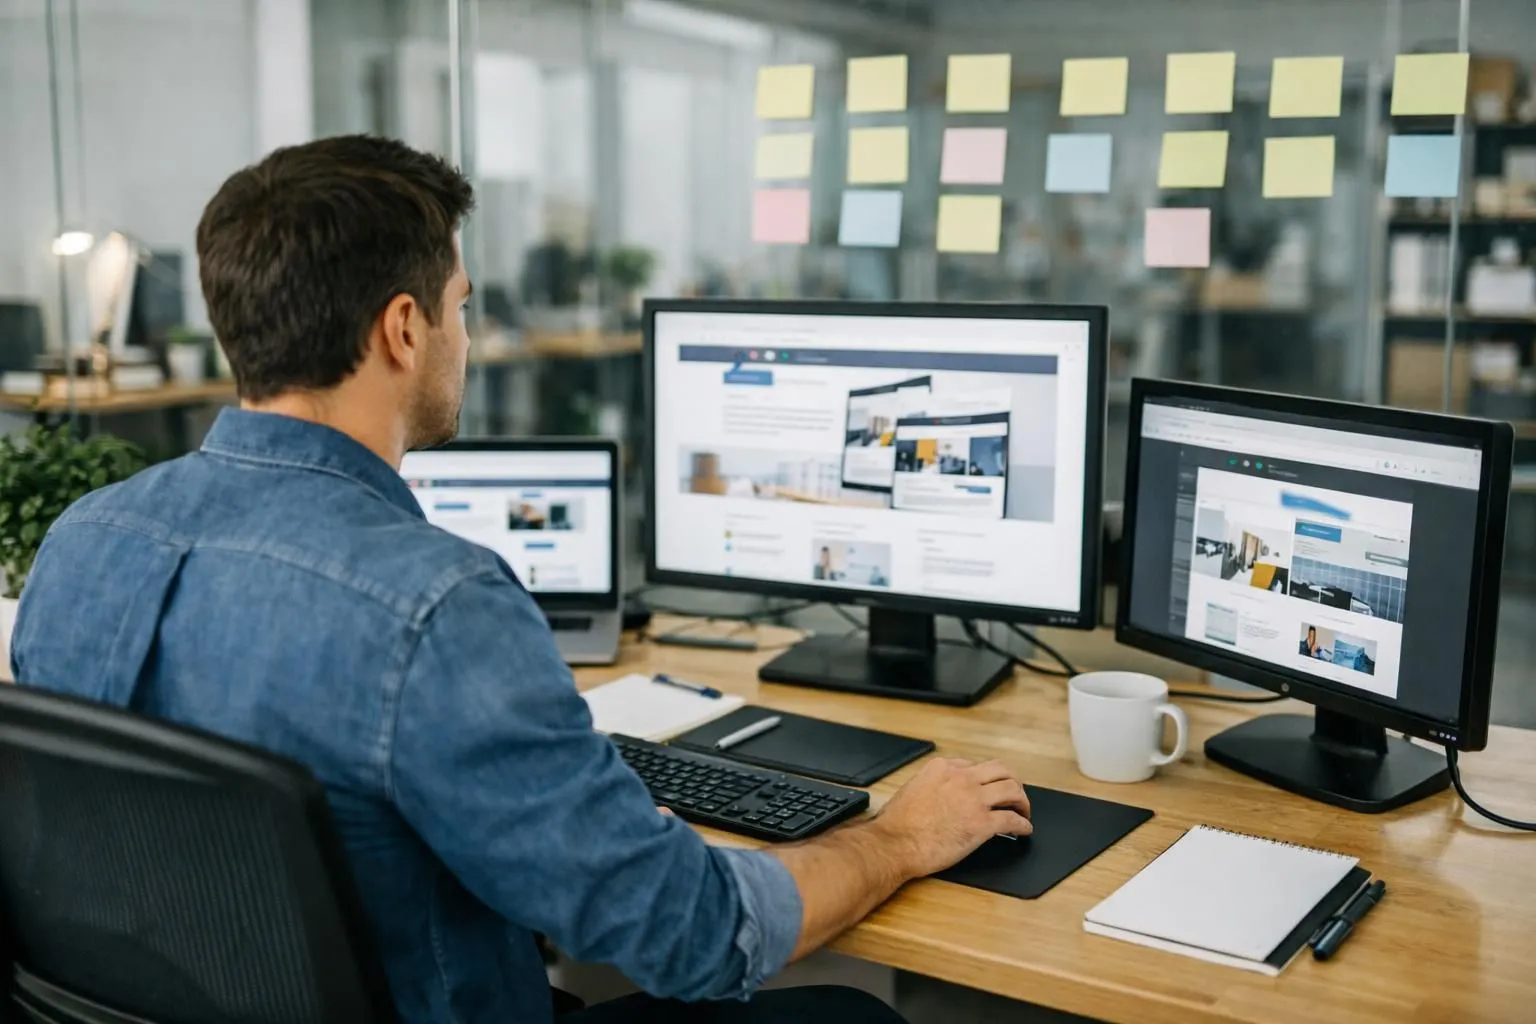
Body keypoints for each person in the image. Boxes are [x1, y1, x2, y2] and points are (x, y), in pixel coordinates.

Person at [11, 136, 1032, 1024]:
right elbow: (695, 938)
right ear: (403, 328)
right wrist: (900, 836)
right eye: (461, 305)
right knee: (850, 1021)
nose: (467, 335)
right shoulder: (433, 606)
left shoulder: (85, 541)